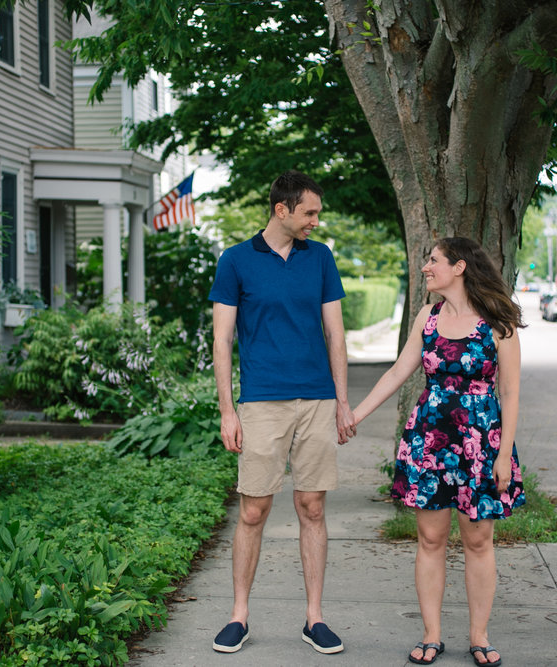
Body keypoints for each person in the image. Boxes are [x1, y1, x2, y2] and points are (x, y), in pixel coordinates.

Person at [351, 237, 525, 667]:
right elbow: (398, 371)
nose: (426, 267)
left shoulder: (498, 322)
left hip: (480, 443)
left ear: (460, 267)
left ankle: (479, 637)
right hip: (430, 439)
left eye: (433, 261)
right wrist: (355, 415)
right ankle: (431, 635)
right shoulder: (427, 318)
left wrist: (503, 456)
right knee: (430, 538)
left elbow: (511, 391)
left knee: (478, 539)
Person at [208, 170, 356, 655]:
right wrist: (228, 410)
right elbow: (222, 341)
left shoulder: (321, 259)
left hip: (315, 399)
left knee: (312, 507)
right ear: (282, 210)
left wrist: (342, 400)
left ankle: (314, 618)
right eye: (310, 212)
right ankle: (238, 616)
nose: (316, 220)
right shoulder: (235, 261)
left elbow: (336, 334)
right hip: (262, 401)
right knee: (254, 508)